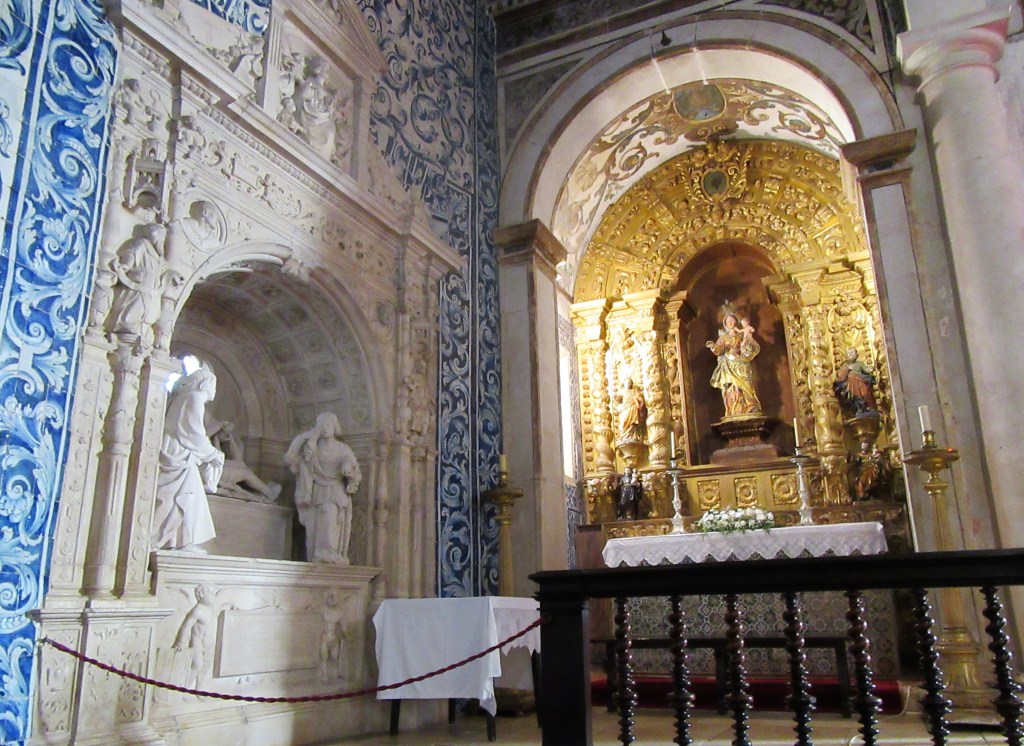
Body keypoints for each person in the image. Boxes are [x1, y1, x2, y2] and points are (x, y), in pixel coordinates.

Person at [153, 365, 223, 552]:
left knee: (185, 496)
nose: (215, 390)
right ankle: (173, 541)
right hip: (178, 454)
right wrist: (212, 454)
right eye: (213, 385)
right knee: (186, 496)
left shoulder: (184, 398)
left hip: (179, 452)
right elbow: (193, 432)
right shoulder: (194, 398)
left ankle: (177, 541)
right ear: (204, 385)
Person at [285, 413, 362, 564]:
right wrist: (305, 437)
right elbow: (291, 459)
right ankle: (316, 554)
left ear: (334, 427)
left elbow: (352, 464)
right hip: (314, 492)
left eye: (328, 425)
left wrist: (347, 467)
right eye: (321, 425)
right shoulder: (312, 448)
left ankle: (329, 553)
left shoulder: (342, 449)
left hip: (334, 492)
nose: (325, 428)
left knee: (330, 520)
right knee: (314, 527)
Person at [706, 311, 762, 419]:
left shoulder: (741, 335)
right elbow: (718, 350)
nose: (730, 323)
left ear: (736, 322)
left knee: (746, 385)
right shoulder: (723, 338)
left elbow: (750, 346)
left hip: (742, 364)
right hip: (728, 366)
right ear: (725, 324)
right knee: (732, 387)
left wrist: (746, 347)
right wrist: (713, 346)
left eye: (732, 320)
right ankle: (734, 409)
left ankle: (750, 406)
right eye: (728, 321)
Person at [172, 584, 216, 689]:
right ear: (201, 594)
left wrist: (233, 608)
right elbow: (186, 626)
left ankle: (198, 689)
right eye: (211, 594)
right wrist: (180, 642)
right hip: (197, 642)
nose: (213, 597)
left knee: (206, 665)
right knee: (197, 665)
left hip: (208, 643)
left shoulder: (209, 609)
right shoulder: (197, 610)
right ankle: (185, 688)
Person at [833, 347, 879, 415]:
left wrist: (870, 369)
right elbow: (840, 375)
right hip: (851, 385)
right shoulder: (845, 365)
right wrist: (847, 368)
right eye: (848, 353)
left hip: (861, 381)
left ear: (856, 354)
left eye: (852, 352)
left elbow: (866, 370)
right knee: (855, 396)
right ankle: (859, 408)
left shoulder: (859, 363)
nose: (850, 354)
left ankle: (868, 407)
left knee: (865, 392)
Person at [617, 378, 647, 442]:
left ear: (631, 384)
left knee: (632, 423)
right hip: (625, 409)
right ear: (624, 383)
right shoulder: (622, 391)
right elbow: (618, 400)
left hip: (632, 408)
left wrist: (640, 406)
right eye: (626, 382)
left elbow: (641, 400)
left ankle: (632, 435)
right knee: (623, 422)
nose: (628, 383)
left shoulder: (634, 391)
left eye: (629, 382)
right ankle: (623, 436)